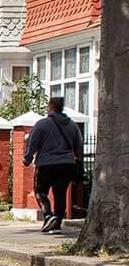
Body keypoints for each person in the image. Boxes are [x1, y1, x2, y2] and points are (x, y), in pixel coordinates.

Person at [24, 96, 84, 234]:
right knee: (60, 194)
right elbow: (78, 146)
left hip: (46, 164)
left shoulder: (42, 124)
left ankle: (48, 216)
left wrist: (27, 159)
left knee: (40, 191)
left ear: (50, 107)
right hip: (66, 164)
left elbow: (32, 143)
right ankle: (57, 225)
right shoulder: (72, 125)